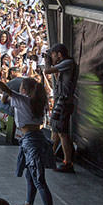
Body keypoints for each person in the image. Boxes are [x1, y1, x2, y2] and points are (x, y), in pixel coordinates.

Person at [0, 67, 59, 205]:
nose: (19, 89)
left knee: (39, 180)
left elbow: (5, 89)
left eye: (22, 87)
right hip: (32, 138)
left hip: (31, 141)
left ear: (25, 90)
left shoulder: (24, 100)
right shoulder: (38, 102)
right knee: (30, 174)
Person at [42, 44, 77, 172]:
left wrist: (47, 62)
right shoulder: (65, 65)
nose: (51, 57)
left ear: (59, 54)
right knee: (55, 129)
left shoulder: (68, 62)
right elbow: (57, 78)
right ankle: (50, 156)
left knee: (62, 131)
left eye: (53, 55)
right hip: (60, 100)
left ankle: (68, 162)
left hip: (64, 101)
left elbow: (47, 71)